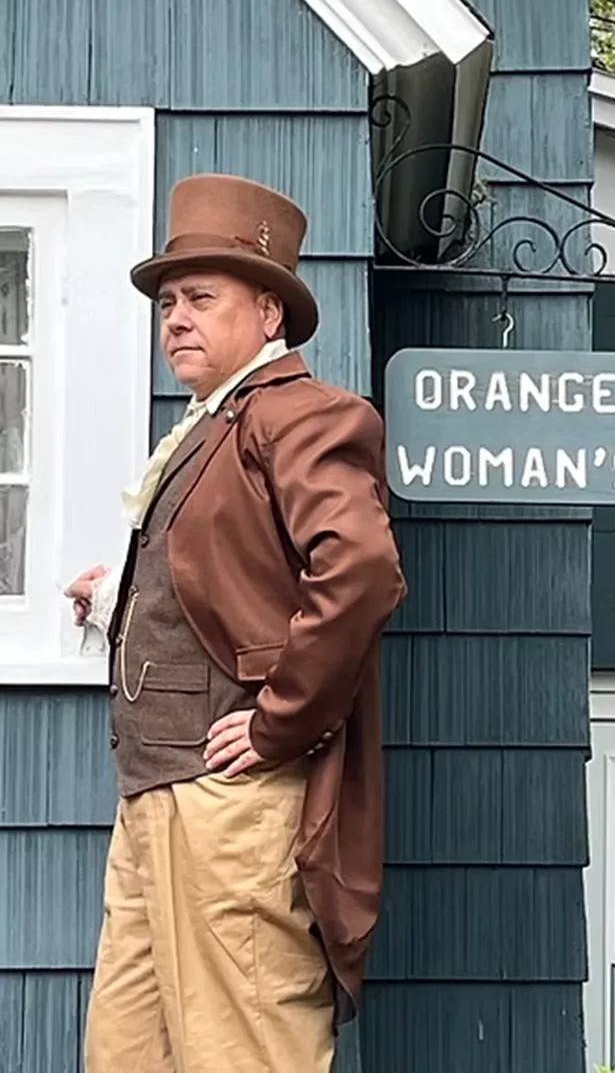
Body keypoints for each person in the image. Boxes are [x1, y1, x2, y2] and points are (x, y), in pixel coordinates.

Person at [65, 173, 407, 1073]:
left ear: (267, 313)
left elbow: (361, 570)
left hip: (230, 803)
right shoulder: (210, 427)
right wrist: (118, 596)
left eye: (200, 298)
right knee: (129, 1054)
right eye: (168, 302)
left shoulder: (302, 414)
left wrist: (277, 721)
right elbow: (232, 577)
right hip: (155, 793)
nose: (176, 318)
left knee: (245, 1055)